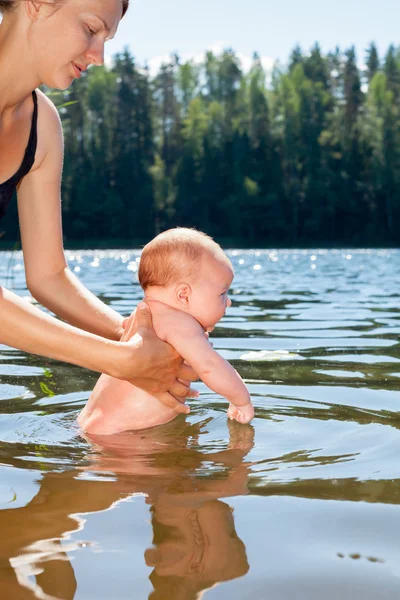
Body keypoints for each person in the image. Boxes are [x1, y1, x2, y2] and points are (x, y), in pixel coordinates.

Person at [0, 0, 198, 413]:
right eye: (91, 29)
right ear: (36, 4)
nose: (99, 56)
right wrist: (120, 360)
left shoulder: (43, 125)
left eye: (106, 39)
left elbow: (49, 277)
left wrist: (142, 334)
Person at [78, 228, 255, 434]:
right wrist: (241, 400)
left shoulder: (141, 316)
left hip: (94, 425)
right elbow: (210, 366)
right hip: (126, 438)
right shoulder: (178, 322)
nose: (229, 302)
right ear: (184, 295)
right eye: (222, 293)